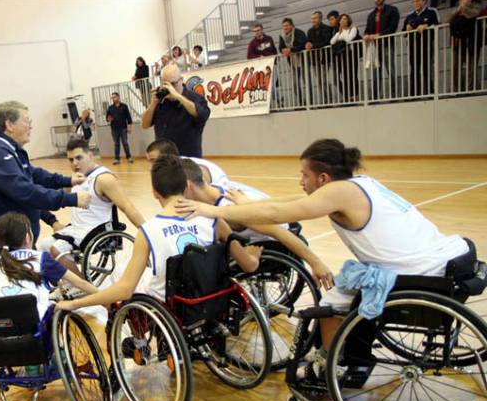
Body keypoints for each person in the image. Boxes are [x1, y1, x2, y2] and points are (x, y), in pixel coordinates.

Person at [175, 138, 470, 351]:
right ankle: (353, 355)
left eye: (305, 175)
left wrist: (215, 211)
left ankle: (331, 365)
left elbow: (279, 214)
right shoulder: (359, 183)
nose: (300, 180)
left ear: (323, 177)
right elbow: (289, 203)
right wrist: (248, 203)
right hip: (446, 253)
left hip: (417, 270)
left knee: (330, 304)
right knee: (345, 287)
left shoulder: (338, 192)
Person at [56, 155, 261, 313]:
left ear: (154, 193)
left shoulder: (149, 231)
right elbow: (249, 265)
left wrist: (76, 303)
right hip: (211, 294)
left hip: (171, 304)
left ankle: (138, 340)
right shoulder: (213, 219)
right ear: (187, 186)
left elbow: (124, 291)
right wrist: (255, 254)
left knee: (120, 272)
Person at [0, 100, 90, 268]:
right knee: (18, 288)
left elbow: (31, 173)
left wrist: (66, 180)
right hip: (1, 237)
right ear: (9, 124)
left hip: (17, 235)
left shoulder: (7, 148)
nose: (30, 127)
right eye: (26, 121)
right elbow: (25, 191)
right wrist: (71, 198)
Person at [179, 159, 333, 289]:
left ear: (187, 186)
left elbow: (278, 232)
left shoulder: (231, 207)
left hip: (278, 244)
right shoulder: (220, 189)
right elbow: (271, 202)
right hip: (275, 230)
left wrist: (316, 263)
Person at [37, 138, 145, 273]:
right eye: (71, 160)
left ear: (90, 156)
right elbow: (54, 197)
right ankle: (67, 284)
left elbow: (127, 207)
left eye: (78, 158)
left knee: (57, 249)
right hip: (78, 229)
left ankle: (81, 285)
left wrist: (148, 232)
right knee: (44, 246)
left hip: (96, 230)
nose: (75, 163)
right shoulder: (76, 177)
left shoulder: (103, 178)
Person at [0, 212, 97, 326]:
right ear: (28, 237)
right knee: (56, 308)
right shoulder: (41, 259)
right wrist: (102, 296)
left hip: (3, 327)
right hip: (36, 326)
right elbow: (79, 282)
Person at [142, 64, 210, 158]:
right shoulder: (161, 100)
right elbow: (145, 124)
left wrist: (178, 96)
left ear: (181, 80)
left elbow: (202, 115)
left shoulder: (195, 98)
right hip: (164, 160)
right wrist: (153, 104)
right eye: (166, 84)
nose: (170, 88)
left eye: (173, 84)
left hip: (188, 159)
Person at [145, 138, 228, 187]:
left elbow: (206, 196)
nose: (151, 167)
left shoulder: (190, 168)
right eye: (149, 161)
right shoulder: (172, 167)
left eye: (153, 160)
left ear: (169, 156)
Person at [364, 0, 401, 100]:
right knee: (376, 72)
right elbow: (367, 29)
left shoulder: (392, 10)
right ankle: (375, 96)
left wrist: (380, 35)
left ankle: (394, 94)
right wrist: (366, 35)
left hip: (387, 44)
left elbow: (393, 27)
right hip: (375, 47)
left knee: (391, 70)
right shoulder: (371, 14)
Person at [404, 0, 441, 97]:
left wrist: (426, 26)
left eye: (418, 0)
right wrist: (407, 29)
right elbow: (403, 32)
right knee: (414, 70)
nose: (416, 3)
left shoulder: (432, 12)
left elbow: (438, 25)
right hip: (413, 47)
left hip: (427, 46)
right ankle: (414, 94)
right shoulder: (409, 16)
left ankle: (430, 93)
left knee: (427, 69)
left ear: (424, 1)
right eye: (414, 1)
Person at [449, 0, 484, 92]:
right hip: (458, 42)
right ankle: (455, 90)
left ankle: (472, 90)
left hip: (472, 42)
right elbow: (448, 18)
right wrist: (459, 10)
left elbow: (473, 14)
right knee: (455, 67)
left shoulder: (477, 4)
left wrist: (463, 8)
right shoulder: (458, 7)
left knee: (471, 68)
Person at [306, 11, 335, 105]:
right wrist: (307, 44)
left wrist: (313, 45)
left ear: (320, 19)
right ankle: (325, 100)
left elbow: (327, 41)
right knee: (319, 81)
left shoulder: (327, 28)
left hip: (324, 58)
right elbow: (308, 42)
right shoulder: (310, 31)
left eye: (315, 18)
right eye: (312, 18)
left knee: (323, 79)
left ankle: (329, 100)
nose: (313, 20)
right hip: (314, 59)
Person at [331, 13, 362, 101]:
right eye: (341, 19)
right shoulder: (338, 32)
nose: (343, 20)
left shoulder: (353, 29)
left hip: (351, 55)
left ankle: (355, 95)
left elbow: (348, 39)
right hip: (342, 56)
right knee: (344, 76)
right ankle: (349, 95)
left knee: (352, 75)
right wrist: (339, 33)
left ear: (348, 20)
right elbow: (332, 42)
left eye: (345, 19)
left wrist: (343, 31)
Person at [278, 18, 308, 106]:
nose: (285, 27)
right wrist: (283, 51)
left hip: (303, 60)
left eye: (287, 25)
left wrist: (291, 50)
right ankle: (301, 102)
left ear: (291, 25)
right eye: (283, 26)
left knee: (306, 81)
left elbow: (302, 44)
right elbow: (280, 47)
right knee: (295, 84)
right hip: (292, 62)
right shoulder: (282, 35)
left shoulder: (299, 32)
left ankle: (310, 101)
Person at [105, 92, 133, 165]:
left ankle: (129, 157)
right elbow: (107, 118)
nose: (113, 99)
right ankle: (117, 159)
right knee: (116, 144)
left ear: (118, 97)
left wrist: (129, 127)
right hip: (114, 129)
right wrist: (109, 119)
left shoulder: (124, 106)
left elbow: (128, 117)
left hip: (123, 128)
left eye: (114, 97)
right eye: (112, 97)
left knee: (125, 143)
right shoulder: (110, 108)